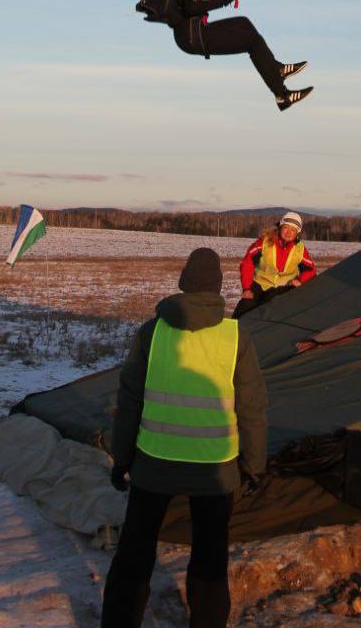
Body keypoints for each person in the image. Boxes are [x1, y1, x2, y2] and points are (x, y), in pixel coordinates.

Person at [102, 248, 267, 628]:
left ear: (183, 283)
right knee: (209, 564)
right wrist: (255, 466)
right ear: (218, 288)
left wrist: (122, 458)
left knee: (134, 557)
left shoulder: (151, 332)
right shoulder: (235, 337)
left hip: (153, 463)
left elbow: (128, 402)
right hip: (216, 470)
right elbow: (253, 408)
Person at [138, 0, 312, 111]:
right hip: (192, 36)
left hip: (193, 33)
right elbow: (193, 5)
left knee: (244, 24)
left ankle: (277, 72)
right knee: (250, 40)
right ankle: (282, 94)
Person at [232, 212, 316, 319]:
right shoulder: (264, 242)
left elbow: (311, 270)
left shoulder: (300, 249)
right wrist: (247, 288)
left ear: (297, 233)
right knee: (246, 305)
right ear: (280, 227)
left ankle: (259, 333)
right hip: (259, 283)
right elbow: (247, 264)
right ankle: (232, 330)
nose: (289, 232)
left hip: (282, 287)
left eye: (293, 230)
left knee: (267, 308)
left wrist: (300, 280)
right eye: (286, 227)